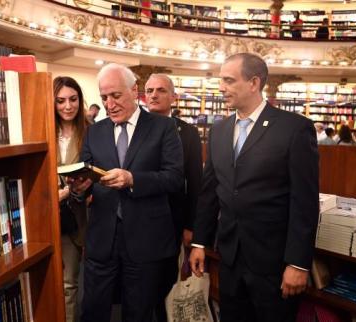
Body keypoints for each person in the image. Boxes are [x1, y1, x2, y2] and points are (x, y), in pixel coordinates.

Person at [189, 53, 319, 322]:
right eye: (220, 80)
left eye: (228, 80)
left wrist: (298, 263)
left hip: (274, 264)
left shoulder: (294, 129)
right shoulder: (219, 130)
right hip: (230, 259)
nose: (220, 88)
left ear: (254, 83)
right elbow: (210, 192)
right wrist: (200, 242)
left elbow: (304, 202)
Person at [71, 63, 184, 322]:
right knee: (93, 310)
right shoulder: (94, 132)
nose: (109, 104)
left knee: (138, 312)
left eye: (116, 96)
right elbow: (85, 171)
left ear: (134, 91)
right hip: (102, 238)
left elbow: (175, 178)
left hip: (146, 239)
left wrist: (133, 179)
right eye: (104, 98)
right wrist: (79, 188)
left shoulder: (162, 127)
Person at [145, 74, 203, 322]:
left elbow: (196, 182)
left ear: (173, 97)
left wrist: (191, 226)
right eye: (148, 91)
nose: (153, 95)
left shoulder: (187, 133)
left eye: (160, 90)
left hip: (173, 220)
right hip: (141, 218)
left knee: (167, 281)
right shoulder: (135, 128)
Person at [53, 76, 89, 322]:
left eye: (73, 99)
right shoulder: (42, 127)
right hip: (44, 215)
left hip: (76, 217)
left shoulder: (91, 131)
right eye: (61, 100)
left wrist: (73, 190)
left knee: (68, 283)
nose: (68, 106)